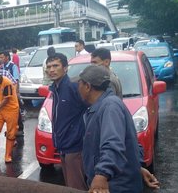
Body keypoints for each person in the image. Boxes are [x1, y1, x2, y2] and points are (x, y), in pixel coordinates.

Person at [78, 65, 160, 192]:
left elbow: (113, 144)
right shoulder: (100, 107)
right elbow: (131, 142)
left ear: (88, 87)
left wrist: (102, 175)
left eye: (79, 84)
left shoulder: (110, 106)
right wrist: (137, 166)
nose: (77, 88)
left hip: (117, 187)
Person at [46, 53, 88, 190]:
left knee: (76, 187)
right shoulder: (55, 89)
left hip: (75, 147)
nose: (51, 70)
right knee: (69, 186)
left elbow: (91, 110)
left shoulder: (73, 88)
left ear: (65, 68)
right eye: (49, 67)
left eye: (55, 66)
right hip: (63, 146)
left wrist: (80, 135)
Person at [0, 51, 24, 137]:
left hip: (13, 91)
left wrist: (15, 93)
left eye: (2, 57)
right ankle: (11, 129)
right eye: (0, 58)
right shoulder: (2, 67)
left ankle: (20, 128)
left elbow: (15, 80)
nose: (0, 59)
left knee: (16, 110)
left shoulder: (13, 66)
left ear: (7, 57)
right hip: (5, 92)